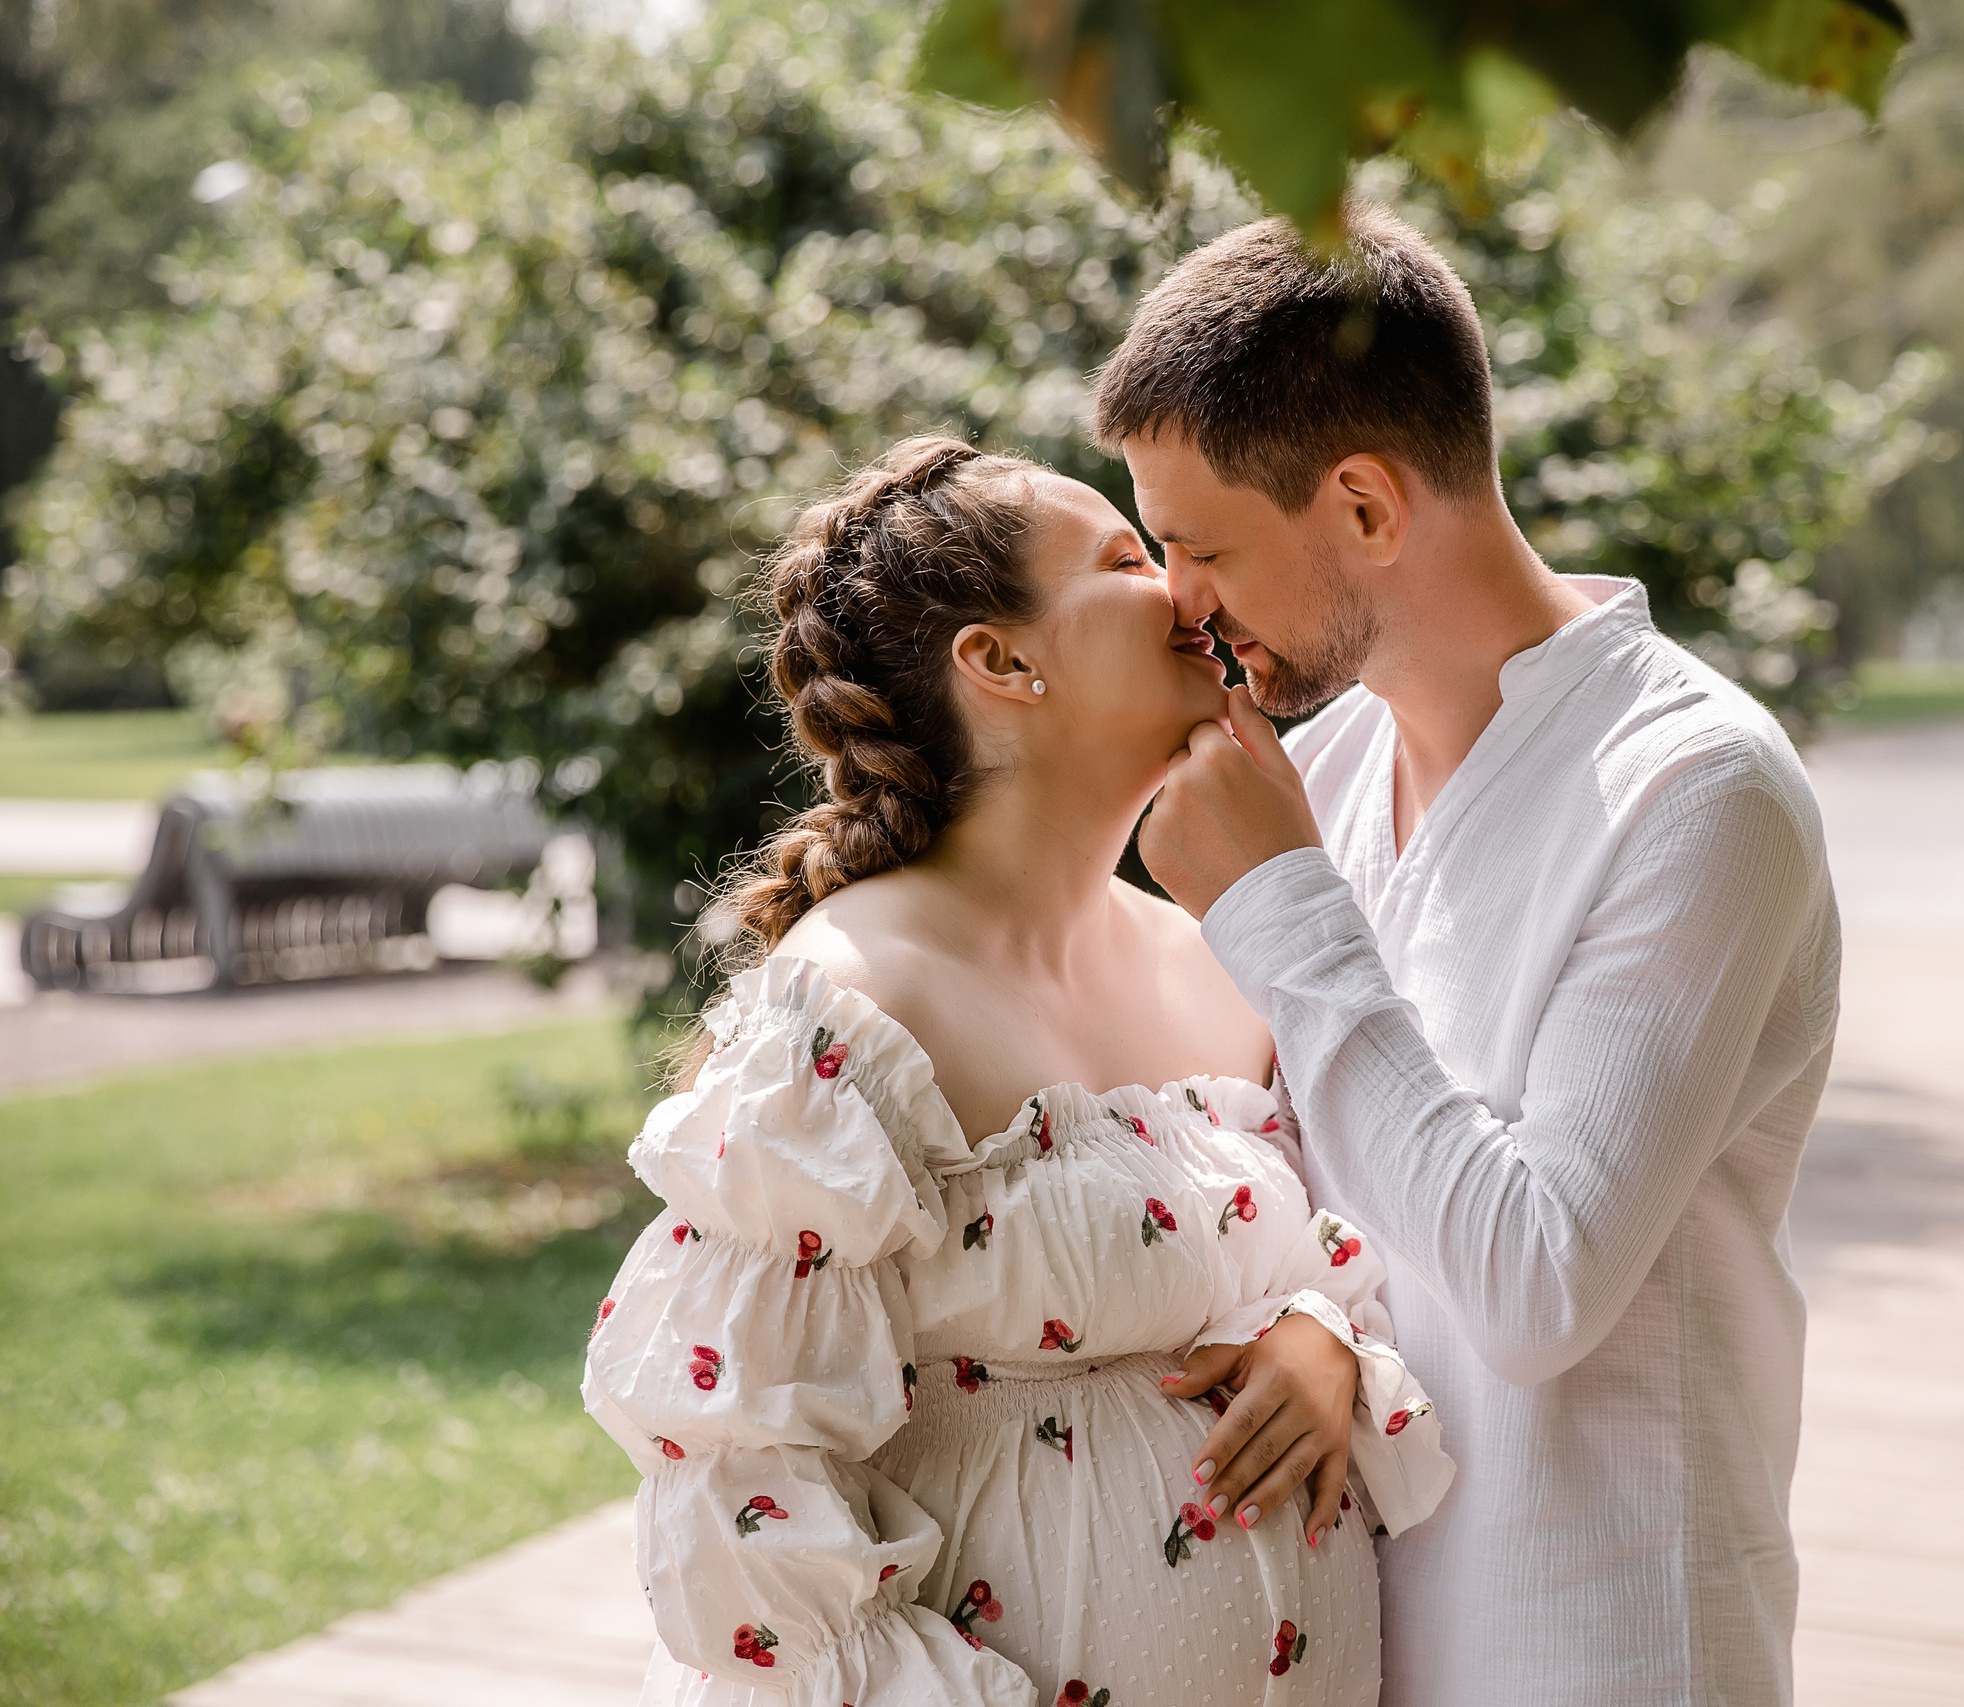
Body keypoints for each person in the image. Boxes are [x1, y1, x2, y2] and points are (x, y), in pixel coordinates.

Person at [580, 436, 1452, 1707]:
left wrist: (1325, 1336)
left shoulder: (1218, 959)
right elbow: (738, 1479)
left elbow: (1366, 1233)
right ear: (1000, 662)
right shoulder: (854, 1014)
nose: (1184, 590)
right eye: (1125, 558)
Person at [1103, 207, 1841, 1706]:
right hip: (1363, 1637)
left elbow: (1533, 1286)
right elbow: (1323, 1181)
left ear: (1366, 506)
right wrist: (1315, 1312)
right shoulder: (1341, 764)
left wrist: (1276, 903)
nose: (1179, 600)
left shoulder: (1697, 791)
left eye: (1203, 547)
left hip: (1612, 1639)